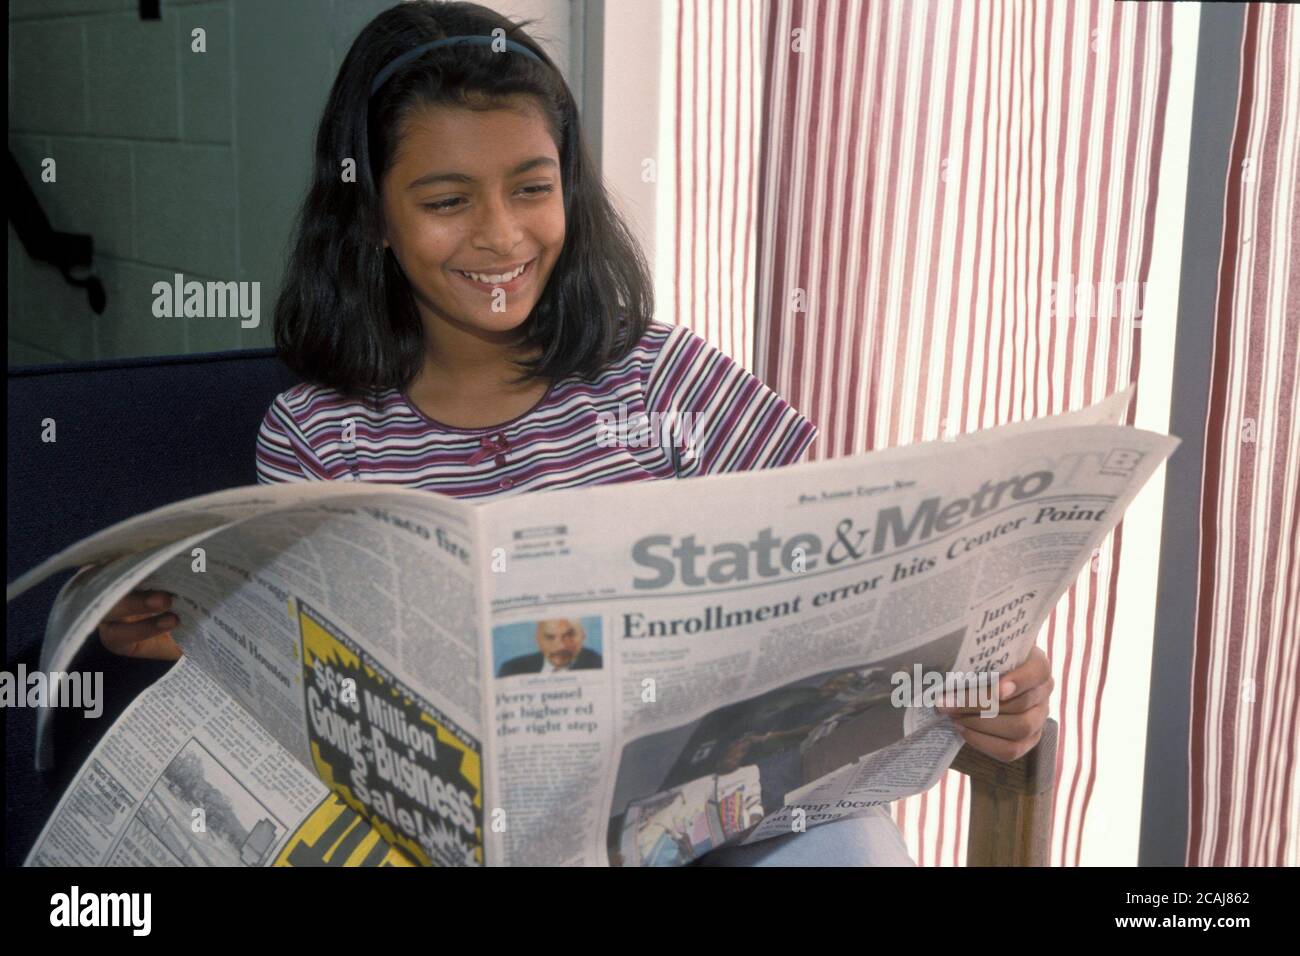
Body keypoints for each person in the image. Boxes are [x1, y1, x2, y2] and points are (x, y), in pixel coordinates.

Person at [95, 0, 1055, 865]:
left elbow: (869, 578)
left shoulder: (666, 378)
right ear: (373, 218)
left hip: (721, 827)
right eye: (445, 201)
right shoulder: (319, 437)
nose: (502, 236)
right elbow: (311, 695)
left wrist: (981, 679)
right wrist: (208, 634)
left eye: (532, 187)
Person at [498, 619, 602, 676]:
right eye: (550, 637)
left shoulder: (598, 664)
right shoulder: (511, 670)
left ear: (582, 636)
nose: (561, 646)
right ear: (538, 640)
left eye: (569, 636)